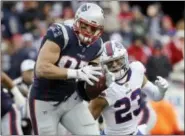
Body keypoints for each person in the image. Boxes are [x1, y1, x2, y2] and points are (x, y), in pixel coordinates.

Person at [28, 3, 105, 135]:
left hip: (71, 99)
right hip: (44, 100)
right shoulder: (61, 34)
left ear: (99, 30)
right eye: (84, 26)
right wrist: (76, 73)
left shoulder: (97, 46)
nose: (87, 31)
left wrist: (104, 81)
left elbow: (91, 77)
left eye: (92, 28)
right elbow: (41, 69)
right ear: (76, 21)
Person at [88, 40, 169, 135]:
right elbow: (87, 123)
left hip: (135, 132)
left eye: (118, 60)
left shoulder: (136, 70)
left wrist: (162, 90)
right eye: (110, 63)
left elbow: (156, 96)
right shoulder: (103, 88)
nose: (115, 65)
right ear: (103, 65)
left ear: (125, 57)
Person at [13, 59, 35, 135]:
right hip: (19, 118)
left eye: (33, 71)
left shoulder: (40, 85)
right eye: (29, 71)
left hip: (34, 119)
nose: (31, 74)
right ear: (22, 73)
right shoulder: (14, 84)